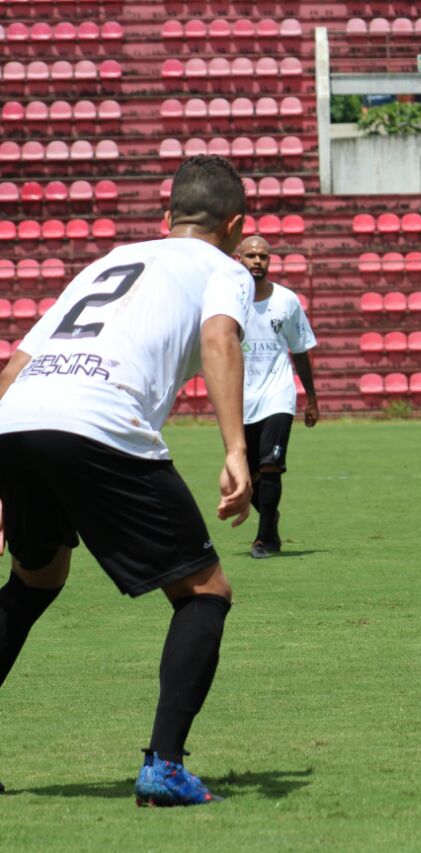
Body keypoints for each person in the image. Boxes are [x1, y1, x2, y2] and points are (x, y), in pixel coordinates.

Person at [0, 155, 255, 807]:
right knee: (205, 590)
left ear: (164, 218)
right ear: (234, 224)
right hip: (98, 419)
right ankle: (165, 768)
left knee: (36, 578)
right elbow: (222, 338)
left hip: (18, 417)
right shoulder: (224, 267)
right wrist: (235, 447)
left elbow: (17, 364)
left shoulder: (107, 261)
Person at [233, 236, 319, 559]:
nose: (257, 261)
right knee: (249, 473)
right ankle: (271, 520)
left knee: (271, 467)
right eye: (251, 256)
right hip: (240, 399)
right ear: (238, 259)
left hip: (278, 395)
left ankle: (264, 539)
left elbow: (299, 350)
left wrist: (311, 398)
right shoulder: (228, 302)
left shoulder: (287, 301)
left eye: (263, 257)